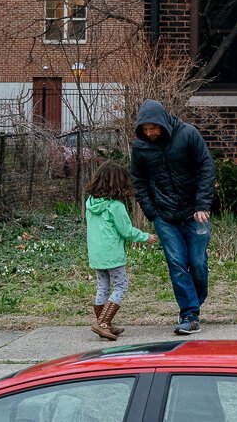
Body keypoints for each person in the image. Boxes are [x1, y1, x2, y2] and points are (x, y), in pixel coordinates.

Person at [129, 99, 216, 335]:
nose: (150, 133)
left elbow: (206, 168)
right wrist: (152, 212)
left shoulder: (188, 135)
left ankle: (195, 303)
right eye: (145, 130)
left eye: (153, 128)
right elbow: (139, 180)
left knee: (197, 263)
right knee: (177, 264)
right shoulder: (140, 147)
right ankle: (189, 314)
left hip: (195, 213)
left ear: (163, 123)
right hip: (164, 216)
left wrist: (202, 204)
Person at [83, 162, 153, 341]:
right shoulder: (115, 206)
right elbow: (127, 231)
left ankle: (104, 323)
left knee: (103, 287)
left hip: (96, 254)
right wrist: (146, 237)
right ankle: (103, 323)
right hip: (112, 254)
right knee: (121, 286)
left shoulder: (90, 202)